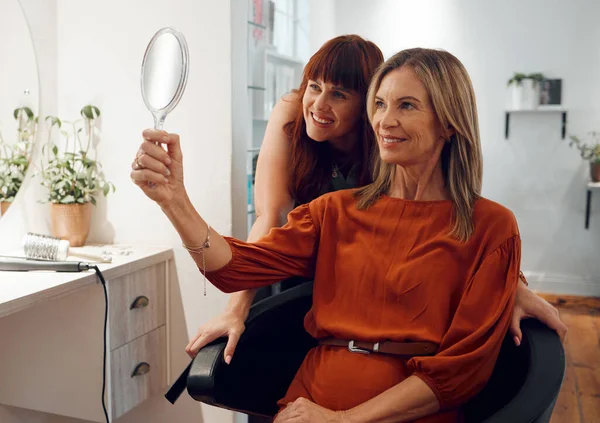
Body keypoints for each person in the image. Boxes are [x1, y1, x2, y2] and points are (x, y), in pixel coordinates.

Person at [131, 48, 561, 423]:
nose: (385, 121)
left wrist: (342, 420)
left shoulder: (492, 226)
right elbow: (233, 269)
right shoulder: (334, 211)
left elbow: (458, 374)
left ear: (449, 123)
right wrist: (173, 200)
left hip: (399, 411)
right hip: (308, 401)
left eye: (407, 106)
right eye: (379, 104)